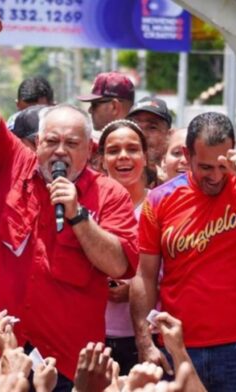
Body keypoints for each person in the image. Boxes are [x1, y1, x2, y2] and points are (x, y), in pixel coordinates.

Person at [0, 9, 139, 389]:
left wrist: (78, 216)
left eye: (71, 143)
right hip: (7, 350)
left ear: (90, 149)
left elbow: (120, 265)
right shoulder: (12, 167)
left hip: (69, 360)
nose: (59, 151)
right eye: (51, 142)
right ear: (37, 143)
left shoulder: (109, 195)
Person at [130, 112, 236, 391]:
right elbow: (145, 276)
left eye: (221, 166)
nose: (215, 177)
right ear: (187, 155)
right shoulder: (159, 200)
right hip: (178, 347)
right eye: (205, 167)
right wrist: (144, 342)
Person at [98, 119, 149, 375]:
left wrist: (137, 289)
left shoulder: (161, 206)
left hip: (147, 341)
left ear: (146, 157)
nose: (123, 157)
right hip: (93, 338)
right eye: (113, 150)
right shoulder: (82, 207)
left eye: (132, 149)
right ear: (100, 160)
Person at [126, 97, 173, 186]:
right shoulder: (117, 174)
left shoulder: (179, 173)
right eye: (135, 126)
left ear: (169, 135)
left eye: (152, 127)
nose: (142, 134)